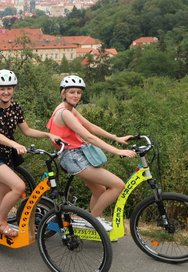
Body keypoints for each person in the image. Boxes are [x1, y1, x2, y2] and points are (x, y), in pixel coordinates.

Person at [0, 70, 61, 238]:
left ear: (13, 89)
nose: (6, 92)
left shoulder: (15, 108)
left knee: (3, 195)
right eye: (2, 89)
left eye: (9, 88)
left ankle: (0, 222)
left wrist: (49, 134)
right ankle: (1, 221)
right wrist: (15, 144)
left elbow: (27, 130)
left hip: (6, 156)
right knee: (19, 187)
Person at [47, 75, 136, 230]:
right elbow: (88, 136)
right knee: (117, 185)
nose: (76, 95)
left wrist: (116, 138)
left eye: (79, 92)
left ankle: (96, 221)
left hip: (77, 155)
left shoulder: (69, 109)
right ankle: (94, 221)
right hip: (72, 157)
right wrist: (117, 151)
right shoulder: (65, 113)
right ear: (63, 93)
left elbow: (91, 127)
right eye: (71, 92)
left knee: (99, 190)